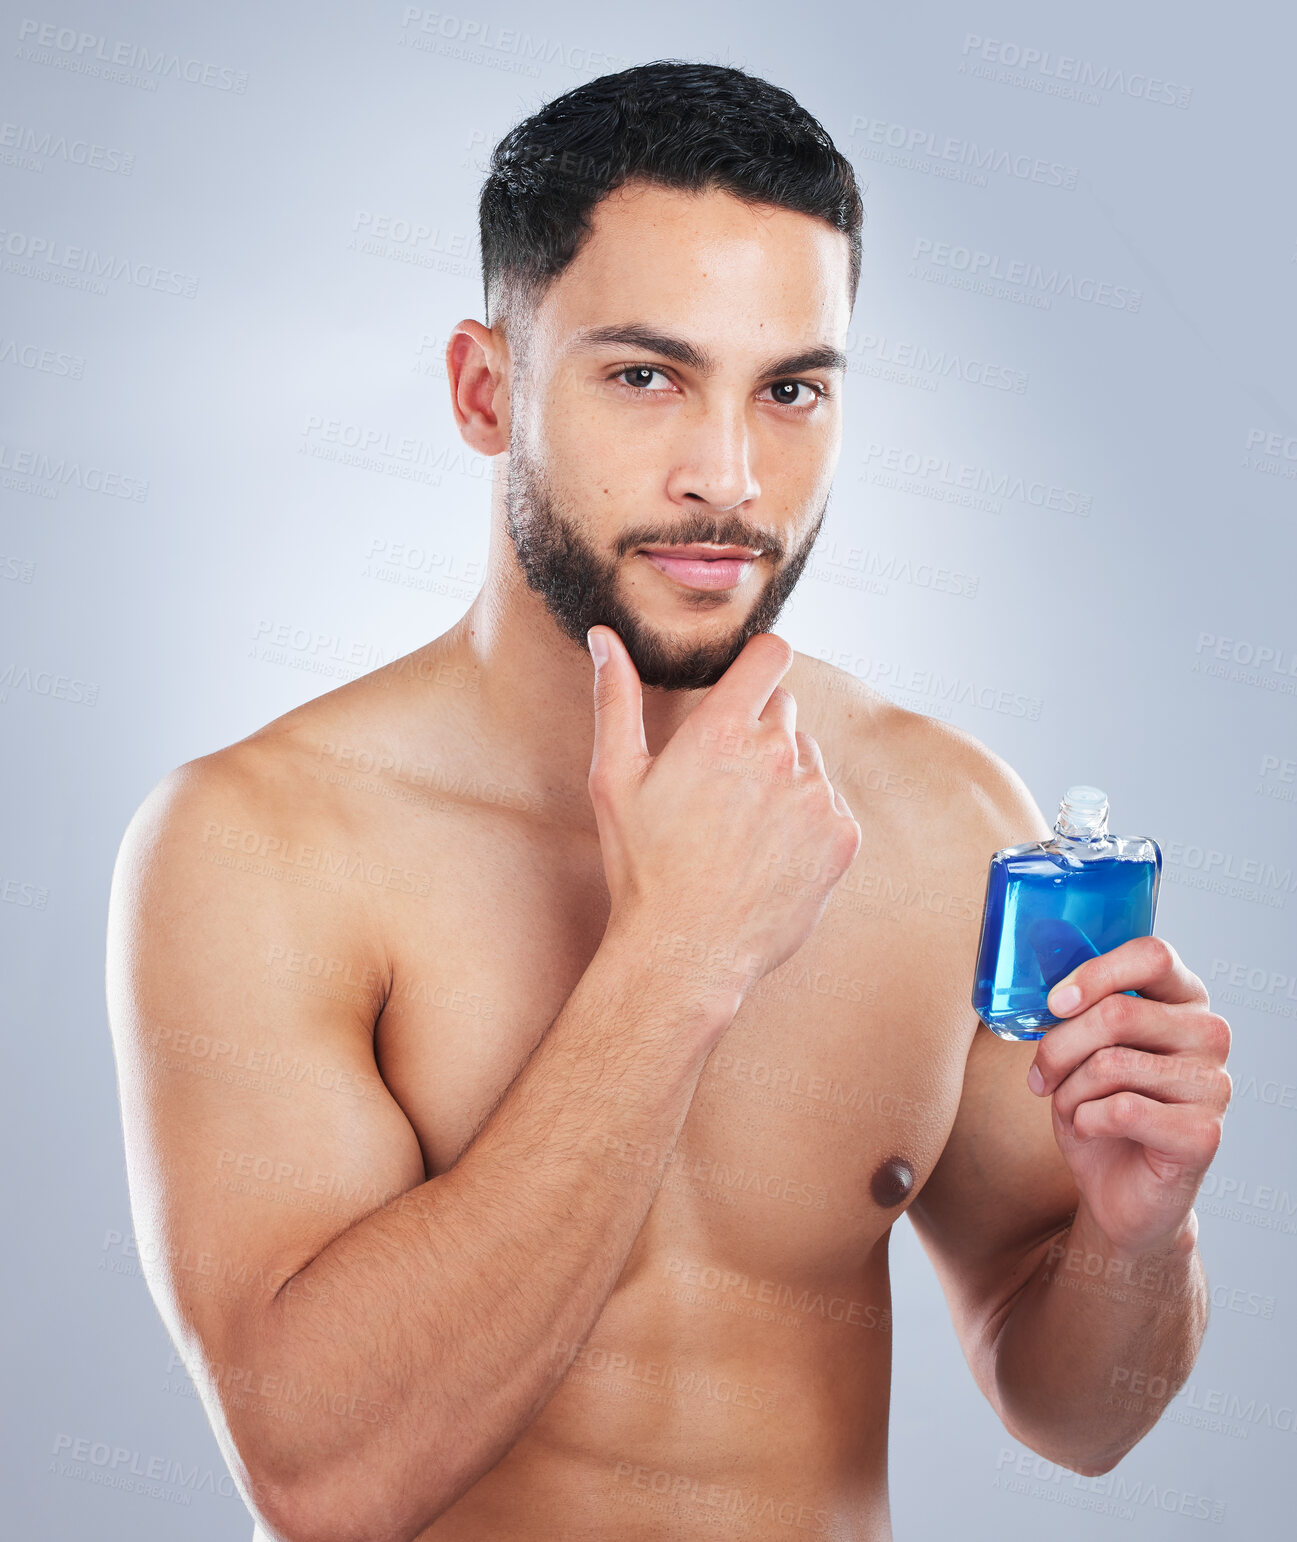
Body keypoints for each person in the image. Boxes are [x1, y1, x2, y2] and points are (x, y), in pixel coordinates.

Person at [106, 59, 1231, 1542]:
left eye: (790, 391)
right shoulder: (259, 843)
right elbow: (325, 1478)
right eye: (646, 374)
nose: (728, 474)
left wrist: (1134, 1234)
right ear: (483, 386)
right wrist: (679, 955)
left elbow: (1077, 1415)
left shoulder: (945, 811)